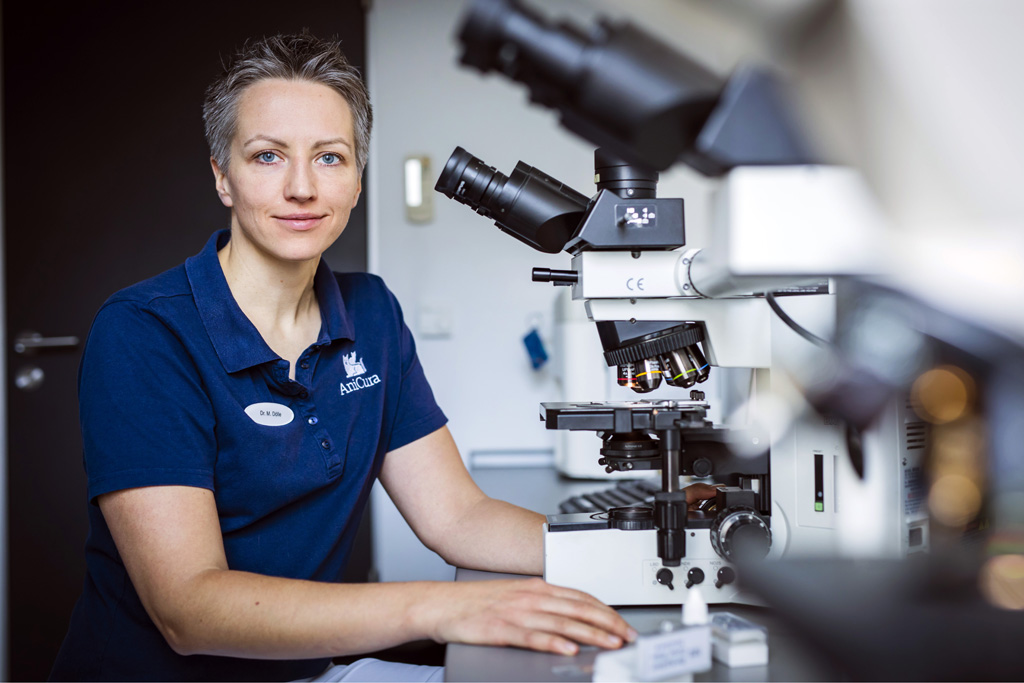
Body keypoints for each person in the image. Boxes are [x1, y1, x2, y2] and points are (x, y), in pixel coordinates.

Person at [50, 32, 717, 682]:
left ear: (359, 179)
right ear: (222, 176)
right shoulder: (144, 333)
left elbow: (458, 516)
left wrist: (629, 552)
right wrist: (444, 605)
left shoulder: (369, 313)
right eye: (267, 156)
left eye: (331, 157)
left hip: (306, 669)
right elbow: (189, 610)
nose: (303, 187)